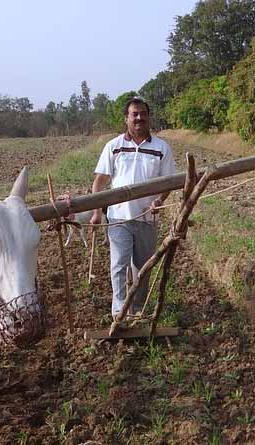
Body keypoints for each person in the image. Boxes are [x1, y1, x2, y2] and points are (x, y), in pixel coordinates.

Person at [90, 97, 177, 320]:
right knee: (119, 263)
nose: (139, 118)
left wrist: (159, 200)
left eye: (142, 114)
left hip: (146, 217)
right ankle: (119, 310)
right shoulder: (114, 146)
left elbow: (169, 182)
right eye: (134, 114)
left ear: (148, 117)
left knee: (143, 266)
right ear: (126, 119)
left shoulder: (160, 148)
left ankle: (137, 309)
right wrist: (97, 211)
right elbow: (100, 181)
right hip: (119, 217)